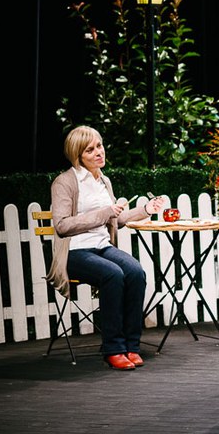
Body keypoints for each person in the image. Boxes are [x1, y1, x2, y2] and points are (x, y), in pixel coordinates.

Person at [46, 125, 165, 371]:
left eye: (99, 146)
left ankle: (131, 346)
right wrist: (103, 213)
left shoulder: (104, 181)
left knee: (136, 272)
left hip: (101, 246)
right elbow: (62, 226)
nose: (99, 152)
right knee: (113, 274)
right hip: (75, 252)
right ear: (77, 155)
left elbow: (116, 220)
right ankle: (113, 349)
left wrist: (146, 210)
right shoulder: (64, 182)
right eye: (90, 150)